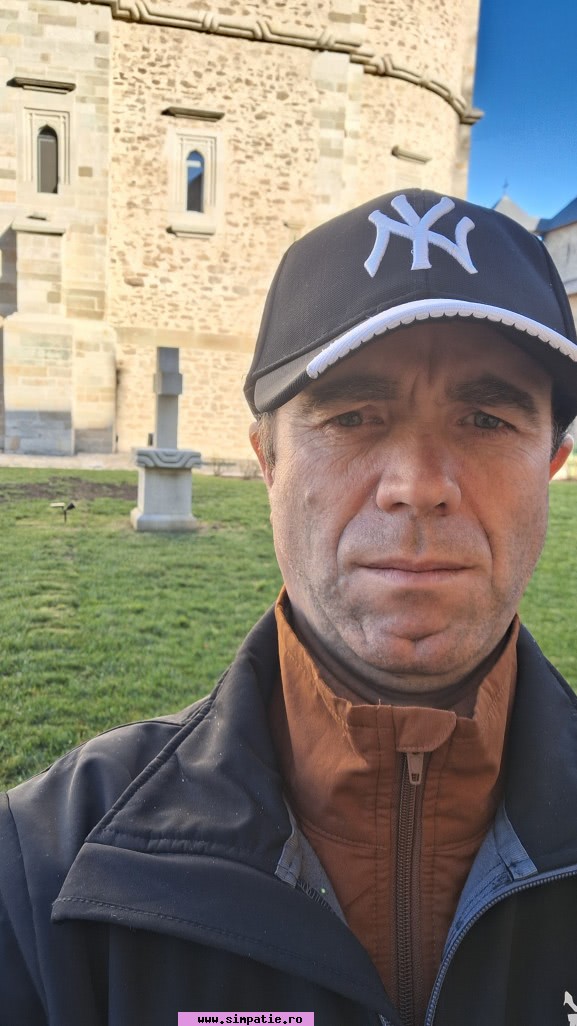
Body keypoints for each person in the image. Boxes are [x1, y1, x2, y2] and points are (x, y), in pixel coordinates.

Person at [1, 189, 577, 1026]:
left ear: (551, 464)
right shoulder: (43, 874)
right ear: (267, 460)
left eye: (485, 419)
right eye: (352, 416)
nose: (418, 485)